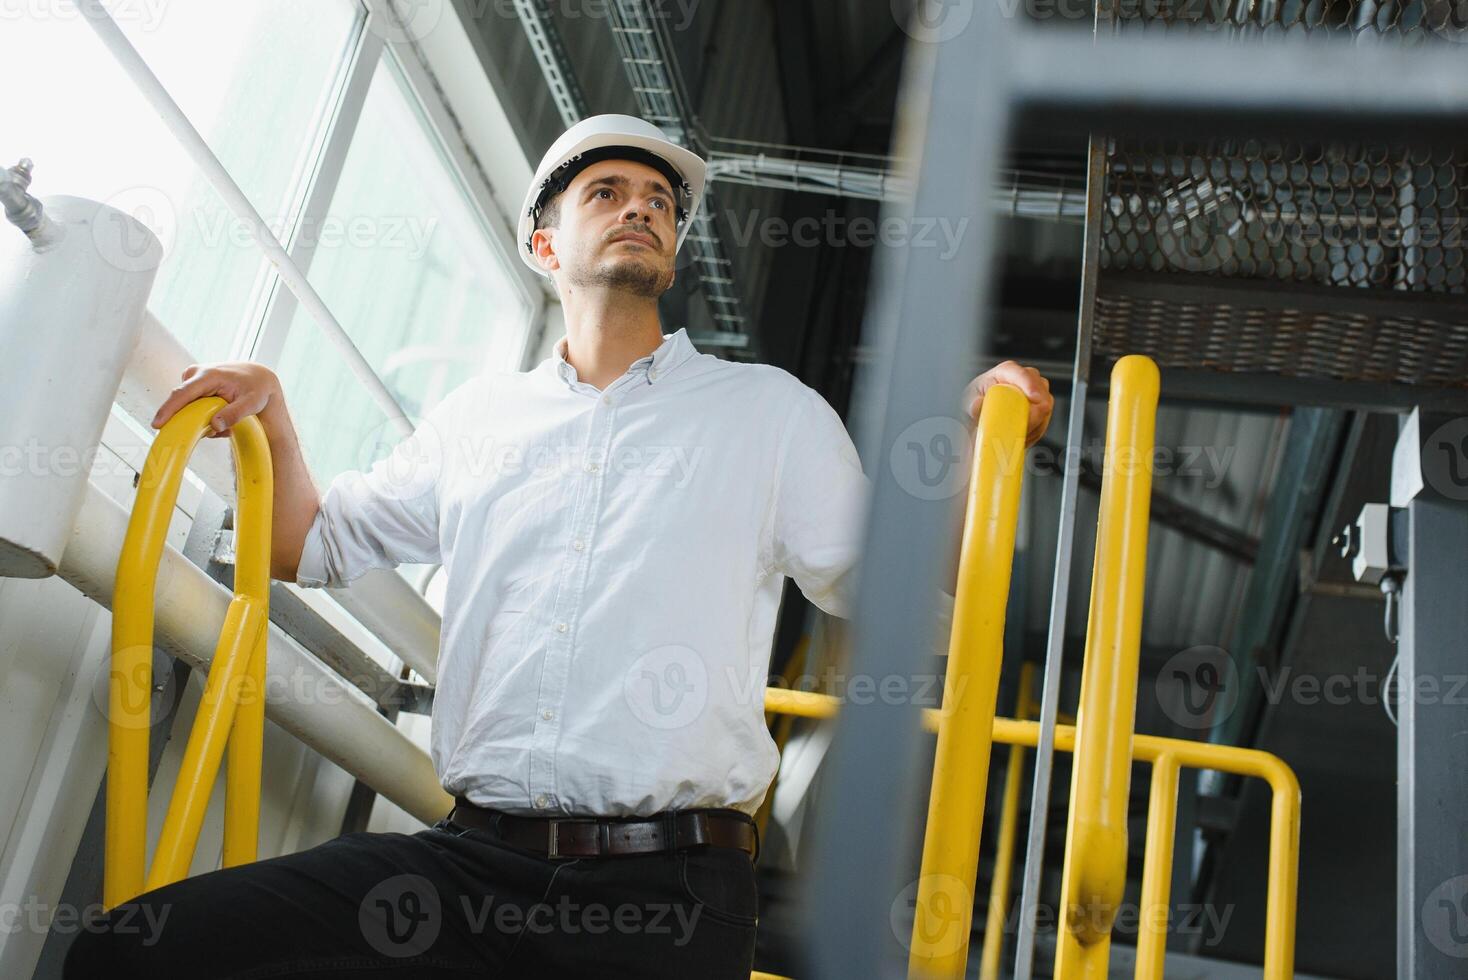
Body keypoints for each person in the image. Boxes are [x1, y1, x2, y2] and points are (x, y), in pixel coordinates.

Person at [64, 114, 1052, 979]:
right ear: (543, 244)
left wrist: (978, 450)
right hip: (468, 864)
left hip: (667, 894)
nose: (642, 207)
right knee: (131, 949)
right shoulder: (478, 417)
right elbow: (309, 543)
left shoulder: (769, 413)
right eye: (607, 191)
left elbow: (903, 592)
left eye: (660, 200)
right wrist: (275, 415)